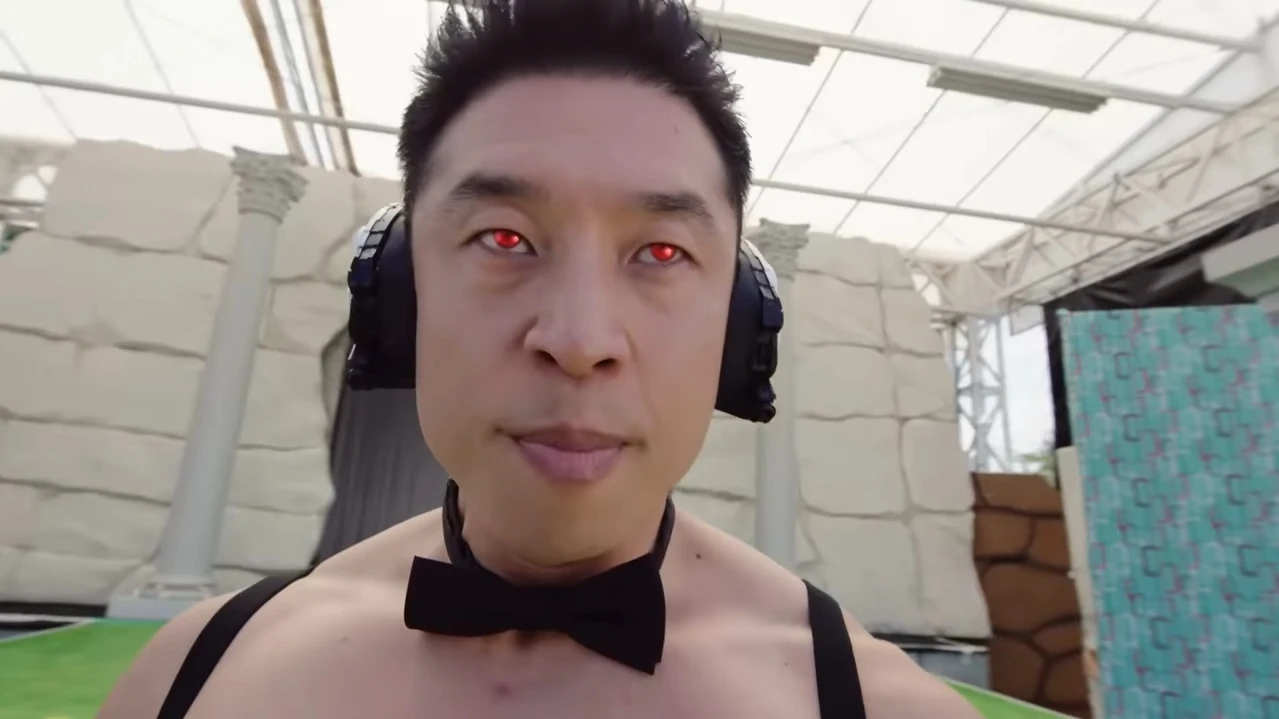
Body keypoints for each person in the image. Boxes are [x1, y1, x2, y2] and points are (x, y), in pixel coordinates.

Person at [98, 1, 982, 717]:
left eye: (661, 252)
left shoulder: (872, 706)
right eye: (504, 238)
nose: (580, 339)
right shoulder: (193, 676)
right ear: (400, 294)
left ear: (738, 321)